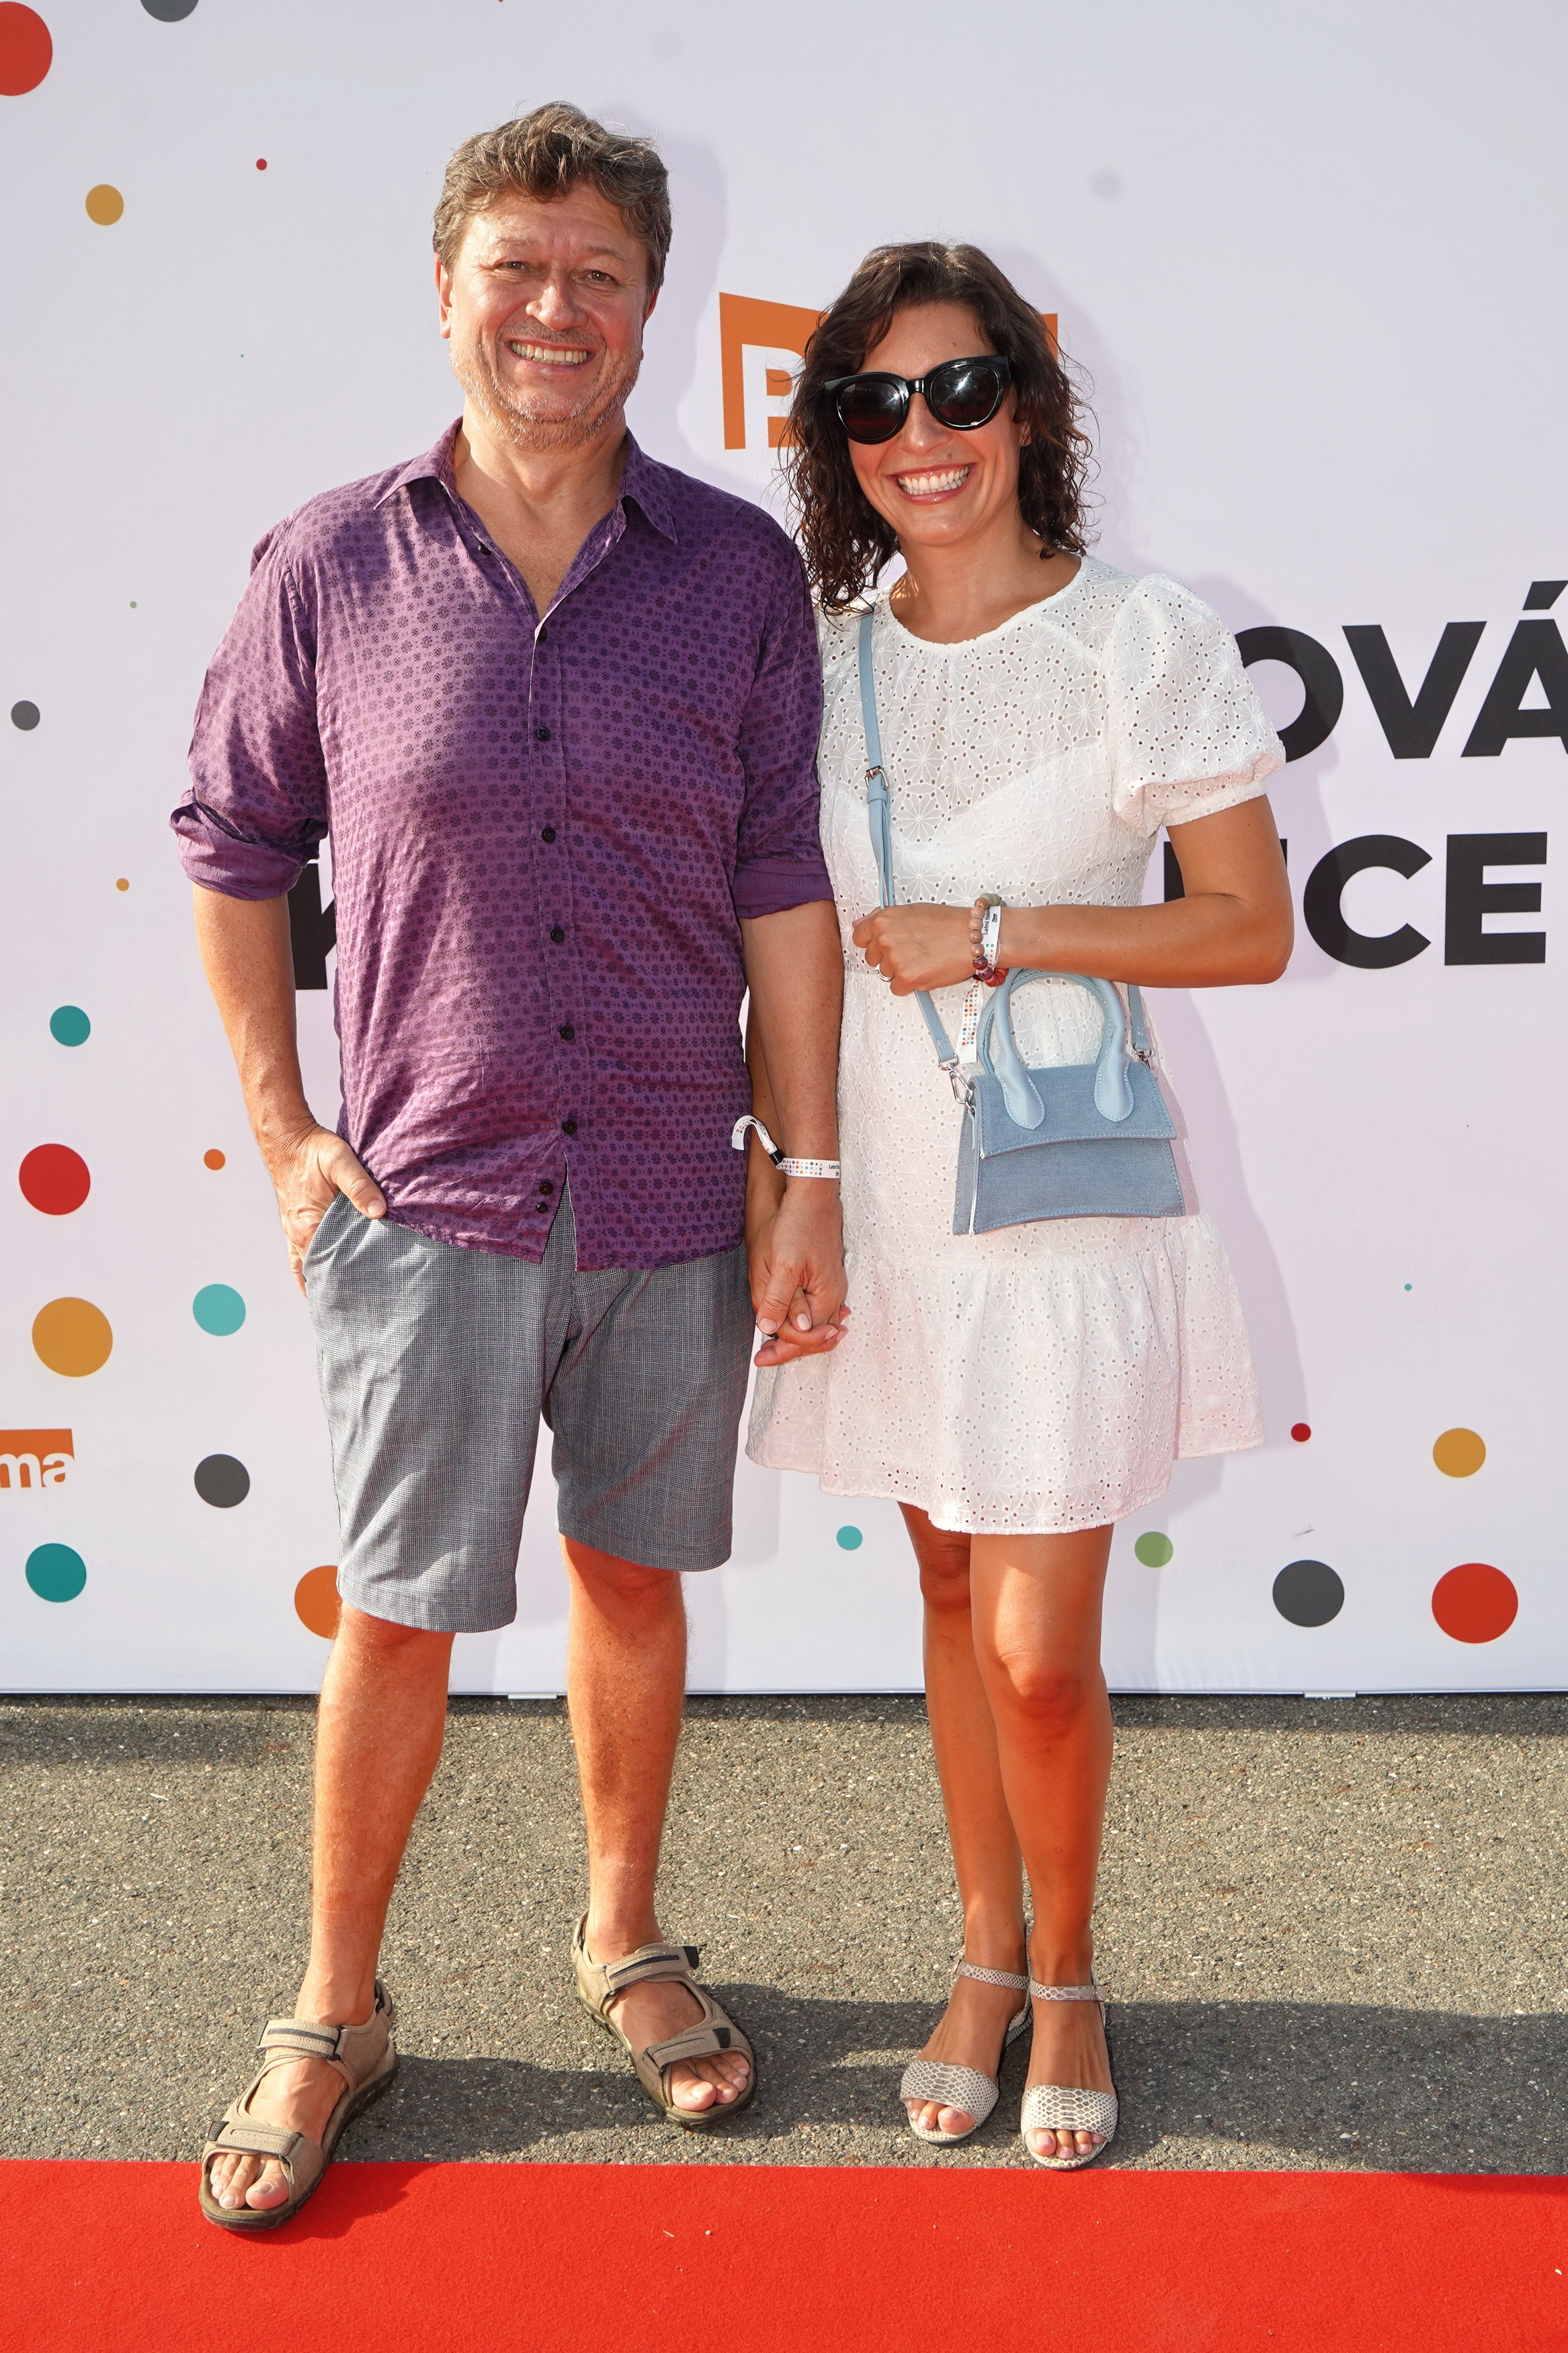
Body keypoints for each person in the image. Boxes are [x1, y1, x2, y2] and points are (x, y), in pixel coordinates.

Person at [175, 104, 847, 2229]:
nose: (556, 309)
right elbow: (231, 847)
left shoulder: (734, 572)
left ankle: (623, 1936)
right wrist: (285, 1131)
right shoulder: (328, 563)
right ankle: (335, 2002)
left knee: (632, 1580)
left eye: (599, 276)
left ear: (650, 306)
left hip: (667, 1183)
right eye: (517, 268)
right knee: (395, 1613)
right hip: (426, 1194)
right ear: (448, 288)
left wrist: (806, 1163)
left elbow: (781, 879)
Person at [746, 242, 1290, 2168]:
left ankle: (1070, 1975)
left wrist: (998, 930)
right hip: (884, 1189)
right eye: (875, 401)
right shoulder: (822, 660)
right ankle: (981, 1954)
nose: (925, 433)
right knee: (948, 1587)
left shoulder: (1144, 637)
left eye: (961, 388)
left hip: (1058, 1195)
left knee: (1040, 1646)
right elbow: (785, 950)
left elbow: (1248, 926)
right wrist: (788, 1179)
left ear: (1029, 407)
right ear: (838, 439)